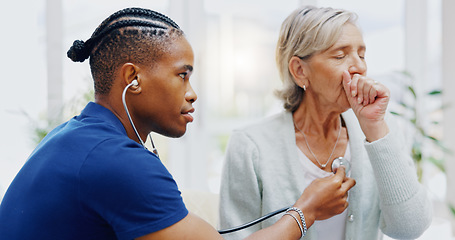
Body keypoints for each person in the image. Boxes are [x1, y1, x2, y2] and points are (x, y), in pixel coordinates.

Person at [0, 7, 356, 240]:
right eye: (182, 75)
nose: (192, 93)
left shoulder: (73, 136)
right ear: (132, 78)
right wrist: (306, 209)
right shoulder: (115, 160)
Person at [219, 5, 433, 240]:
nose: (360, 67)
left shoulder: (380, 129)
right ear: (300, 70)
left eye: (361, 55)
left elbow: (409, 229)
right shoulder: (250, 146)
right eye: (340, 55)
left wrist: (376, 129)